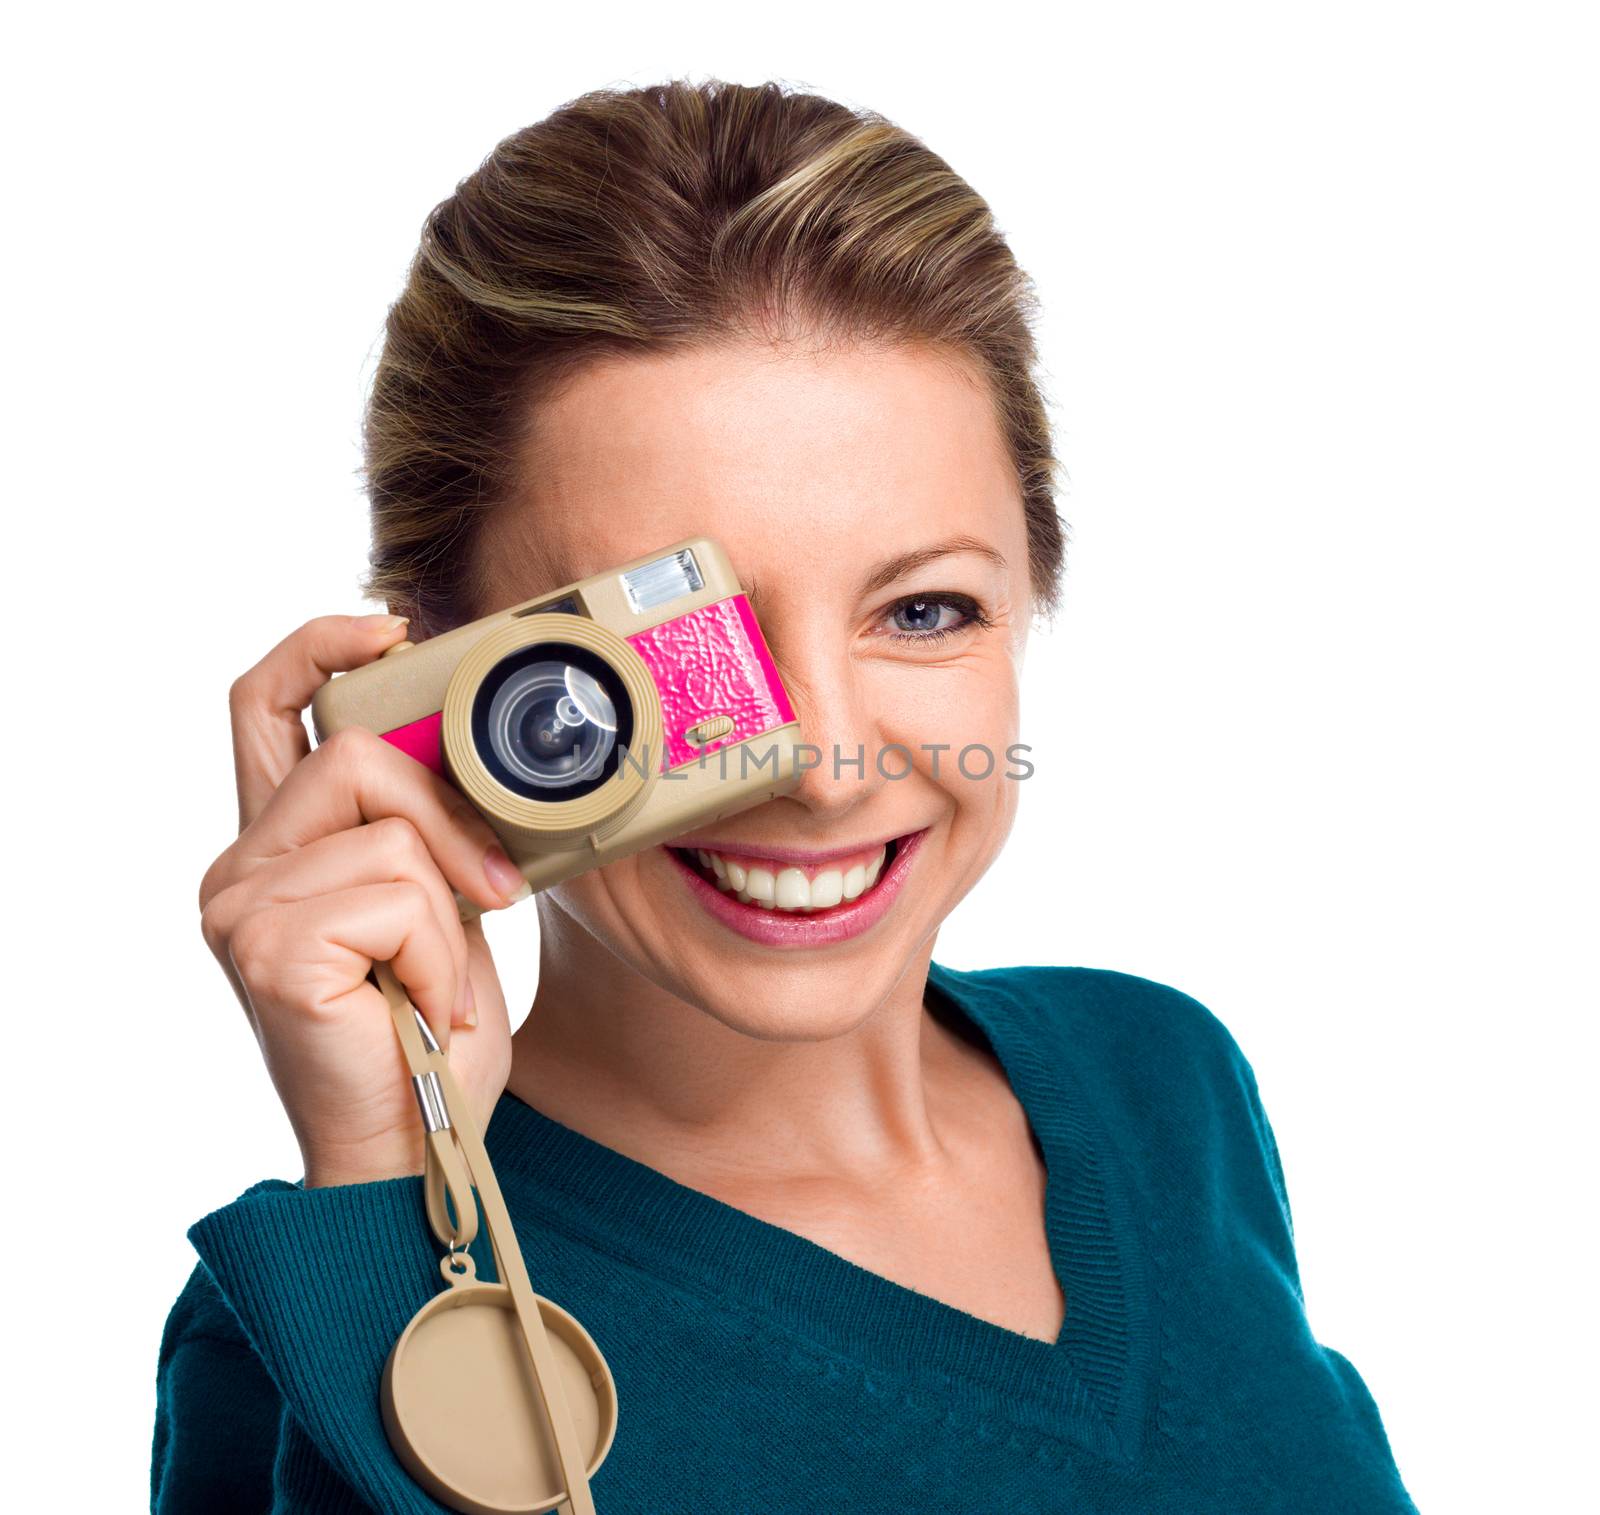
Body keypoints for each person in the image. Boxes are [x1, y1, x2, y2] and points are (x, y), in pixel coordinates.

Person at [151, 78, 1418, 1514]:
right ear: (437, 679)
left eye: (927, 611)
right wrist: (396, 1206)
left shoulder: (1159, 1079)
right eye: (685, 644)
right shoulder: (315, 1328)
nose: (822, 766)